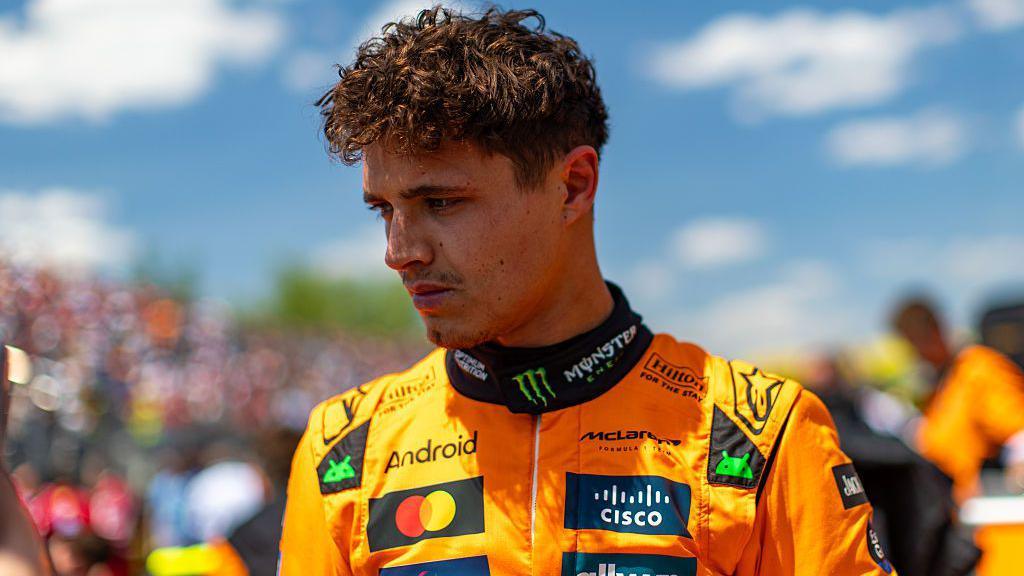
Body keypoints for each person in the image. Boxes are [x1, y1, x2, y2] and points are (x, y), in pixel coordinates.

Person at [280, 7, 895, 575]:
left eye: (440, 202)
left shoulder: (758, 435)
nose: (399, 252)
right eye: (383, 210)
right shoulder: (343, 450)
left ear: (573, 186)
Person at [891, 297, 1024, 502]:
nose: (917, 355)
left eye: (917, 344)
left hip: (981, 514)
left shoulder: (978, 369)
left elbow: (1018, 431)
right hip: (949, 507)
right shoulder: (939, 384)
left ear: (936, 331)